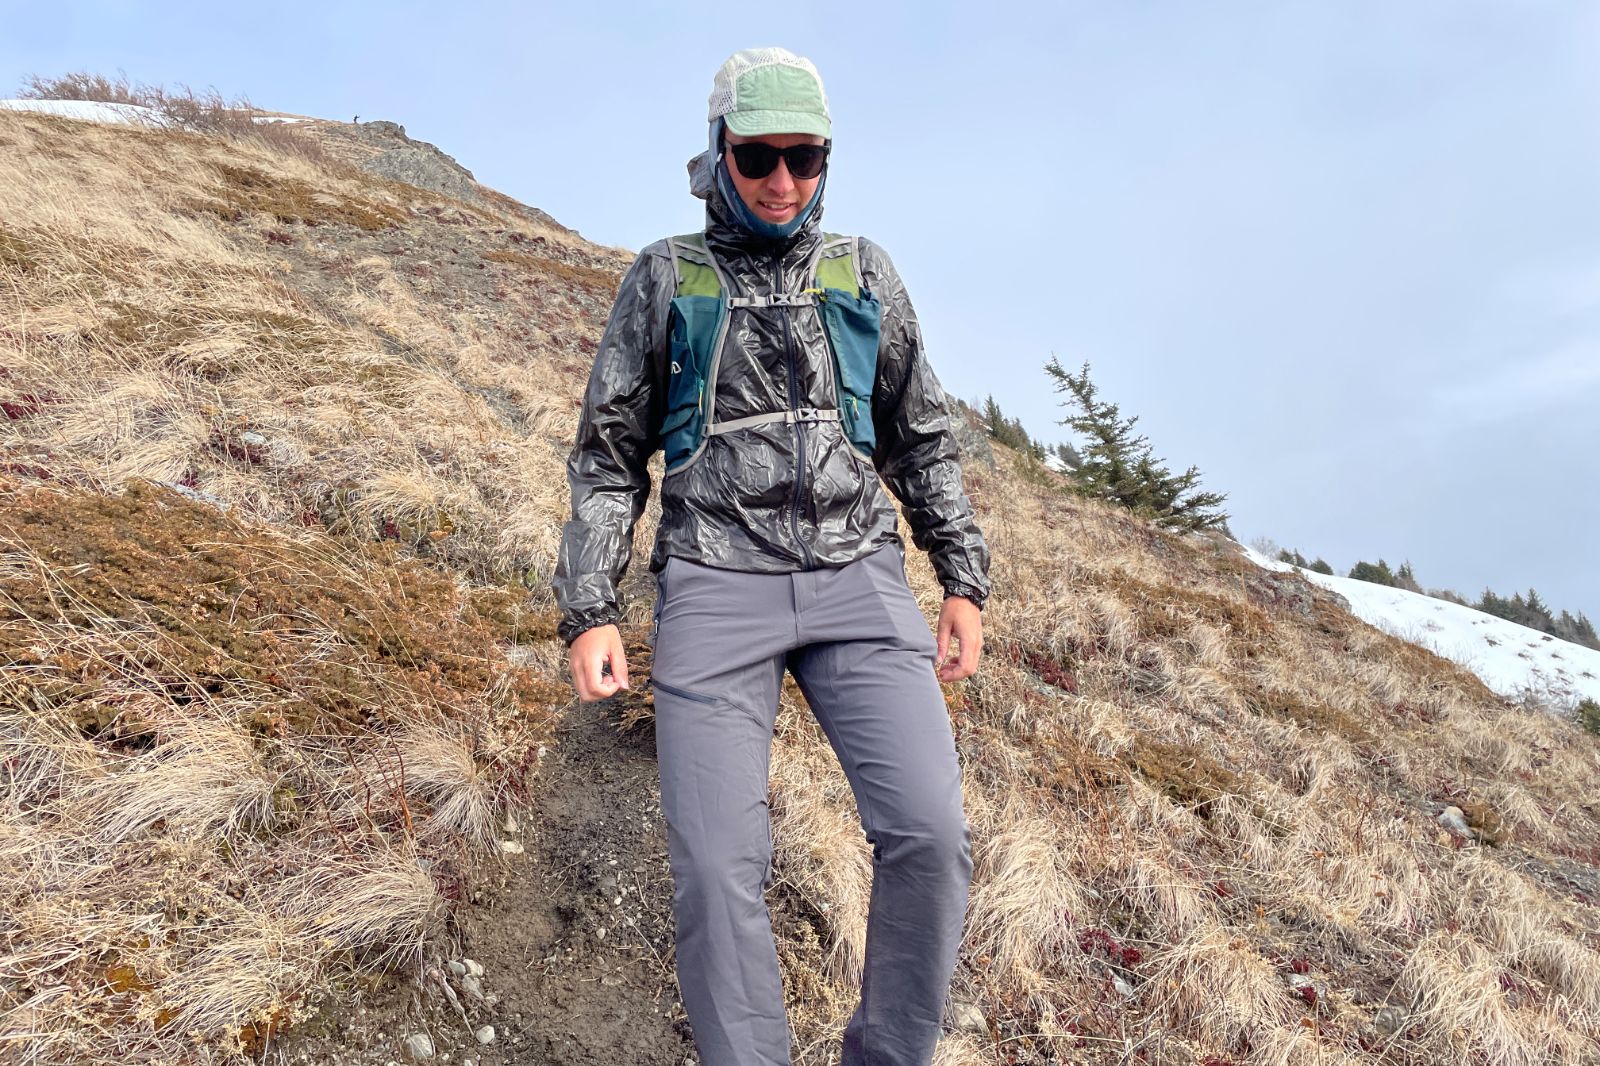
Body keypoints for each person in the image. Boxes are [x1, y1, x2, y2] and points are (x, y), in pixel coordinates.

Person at [551, 45, 992, 1066]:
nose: (783, 182)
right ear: (717, 153)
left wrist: (961, 576)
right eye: (759, 158)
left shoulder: (863, 271)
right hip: (713, 584)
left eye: (805, 157)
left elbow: (920, 435)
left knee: (930, 838)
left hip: (860, 579)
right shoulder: (666, 276)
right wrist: (592, 606)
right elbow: (609, 456)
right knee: (716, 867)